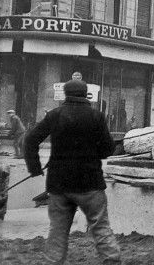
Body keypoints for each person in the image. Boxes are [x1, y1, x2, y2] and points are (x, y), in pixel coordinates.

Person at [24, 79, 122, 264]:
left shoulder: (54, 115)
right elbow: (108, 149)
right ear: (86, 95)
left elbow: (30, 140)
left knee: (57, 232)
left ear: (66, 95)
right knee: (101, 228)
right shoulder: (96, 116)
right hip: (90, 184)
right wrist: (95, 151)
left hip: (59, 184)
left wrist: (35, 168)